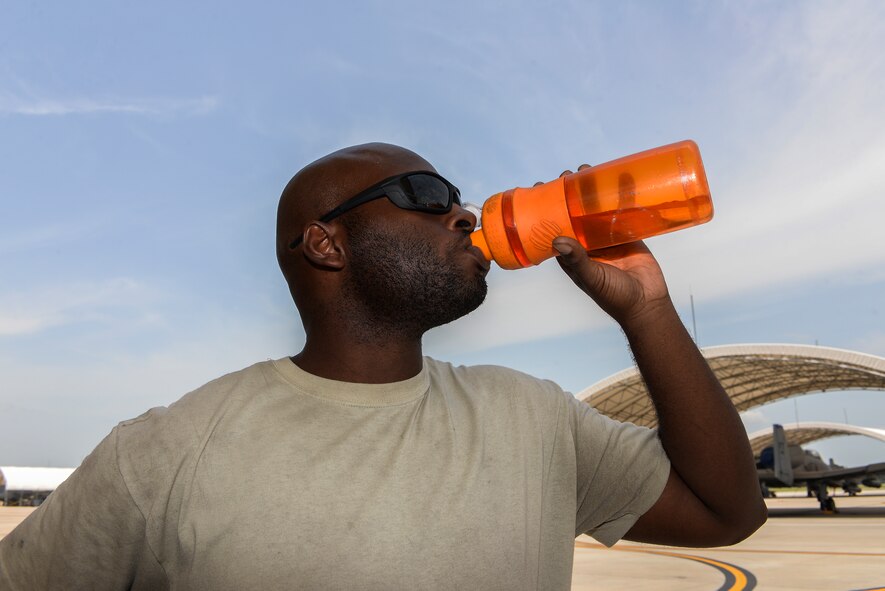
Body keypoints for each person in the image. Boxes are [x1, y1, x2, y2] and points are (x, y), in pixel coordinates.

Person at [0, 143, 766, 590]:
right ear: (326, 244)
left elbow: (728, 511)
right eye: (424, 195)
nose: (463, 214)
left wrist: (646, 310)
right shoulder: (163, 455)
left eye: (458, 198)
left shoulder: (534, 418)